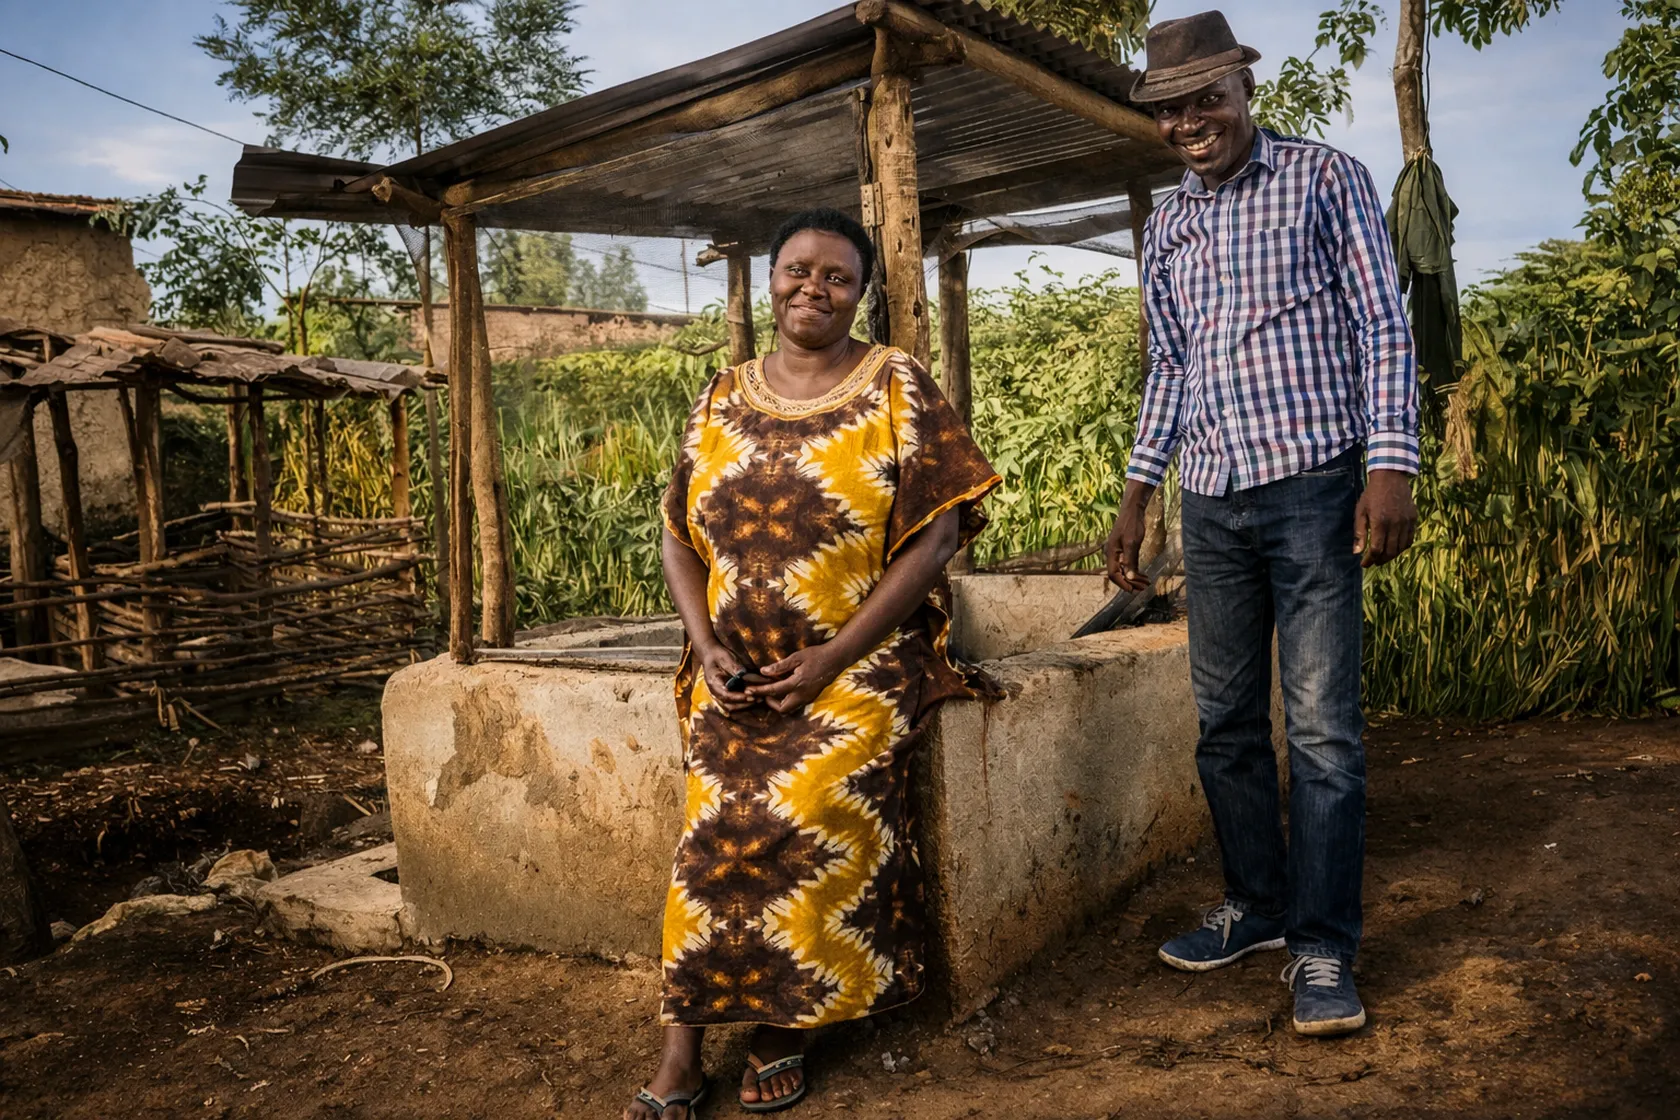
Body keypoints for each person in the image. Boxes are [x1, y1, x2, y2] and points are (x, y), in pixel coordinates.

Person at [626, 208, 1001, 1119]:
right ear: (772, 279)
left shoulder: (897, 385)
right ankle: (681, 1049)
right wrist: (707, 645)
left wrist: (834, 653)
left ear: (860, 292)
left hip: (859, 667)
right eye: (798, 270)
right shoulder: (722, 392)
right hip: (735, 673)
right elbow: (678, 536)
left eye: (836, 276)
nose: (813, 289)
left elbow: (939, 532)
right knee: (710, 833)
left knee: (800, 808)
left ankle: (782, 1024)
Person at [1105, 11, 1420, 1037]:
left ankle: (1325, 948)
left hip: (1316, 483)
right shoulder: (1168, 225)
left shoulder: (1326, 177)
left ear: (1245, 94)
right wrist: (1139, 491)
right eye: (1172, 107)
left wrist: (1389, 465)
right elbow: (1172, 365)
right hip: (1213, 495)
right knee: (1227, 724)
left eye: (1209, 97)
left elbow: (1382, 321)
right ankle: (1258, 907)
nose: (1192, 119)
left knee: (1323, 731)